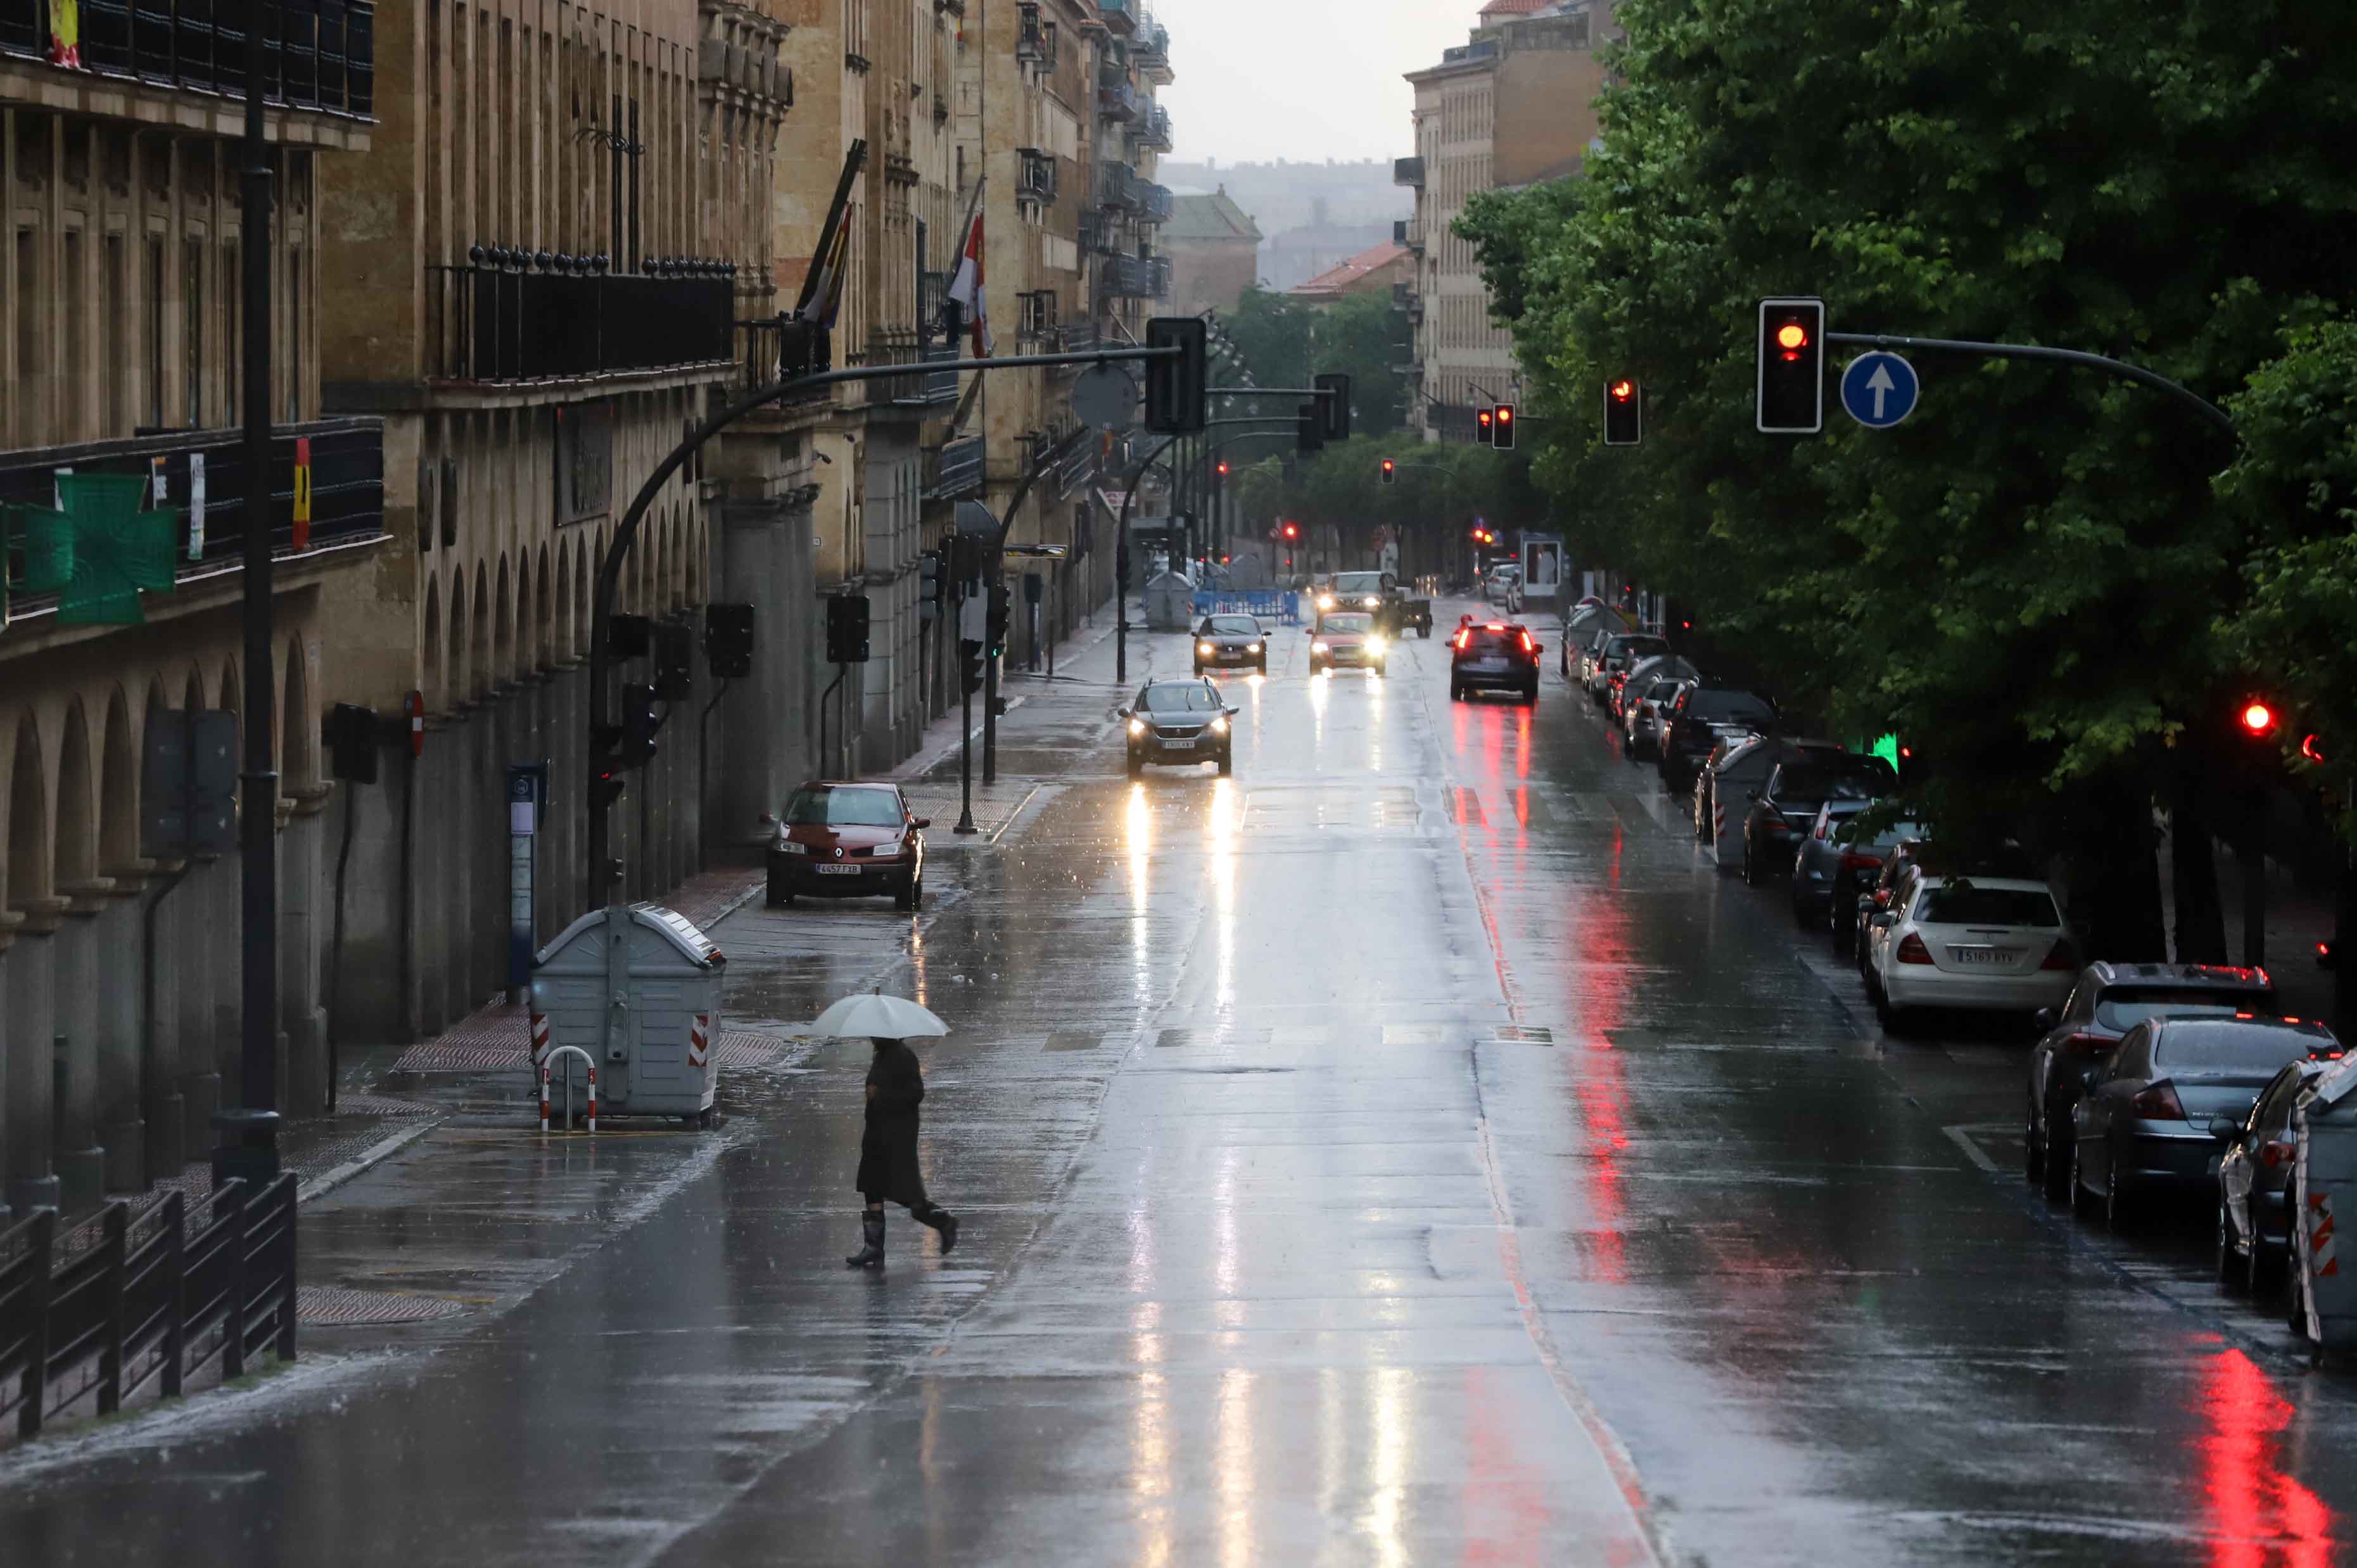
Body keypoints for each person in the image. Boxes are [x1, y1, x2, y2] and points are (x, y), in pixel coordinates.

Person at [846, 1035, 958, 1268]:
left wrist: (880, 1096)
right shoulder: (883, 1054)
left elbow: (915, 1094)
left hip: (896, 1136)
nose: (871, 1037)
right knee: (872, 1187)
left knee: (907, 1194)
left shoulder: (902, 1057)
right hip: (877, 1132)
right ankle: (873, 1248)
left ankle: (943, 1222)